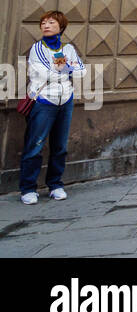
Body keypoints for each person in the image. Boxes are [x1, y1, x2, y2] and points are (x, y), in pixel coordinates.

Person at [20, 11, 86, 204]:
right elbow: (44, 74)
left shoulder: (68, 48)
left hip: (65, 101)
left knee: (60, 146)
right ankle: (28, 189)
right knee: (35, 146)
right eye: (43, 23)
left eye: (51, 22)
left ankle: (55, 185)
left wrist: (63, 68)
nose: (46, 25)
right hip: (43, 101)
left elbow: (81, 71)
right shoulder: (37, 48)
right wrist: (66, 68)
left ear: (61, 27)